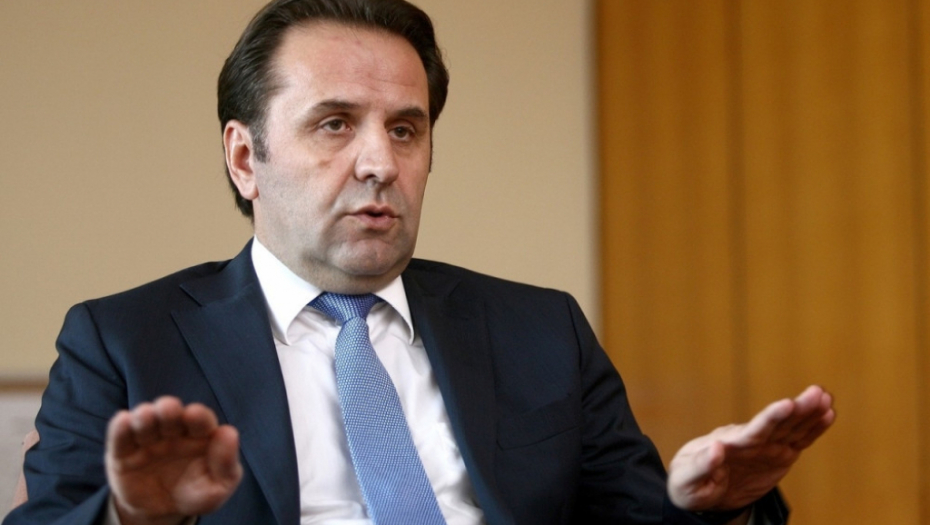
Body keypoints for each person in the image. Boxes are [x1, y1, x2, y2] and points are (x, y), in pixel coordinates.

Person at [4, 1, 835, 524]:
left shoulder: (540, 330)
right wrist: (128, 517)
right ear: (245, 157)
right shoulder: (124, 340)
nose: (380, 162)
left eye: (405, 129)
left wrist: (710, 506)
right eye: (335, 123)